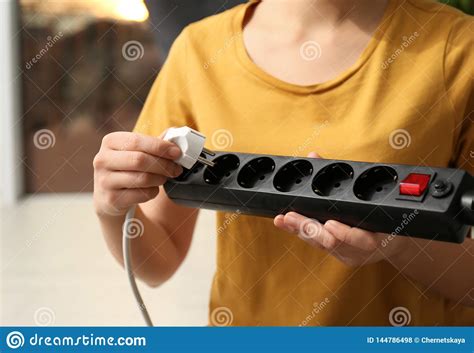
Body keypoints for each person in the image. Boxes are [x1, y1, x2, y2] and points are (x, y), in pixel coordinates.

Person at [93, 0, 474, 325]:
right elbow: (159, 261)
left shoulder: (458, 48)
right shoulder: (199, 49)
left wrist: (398, 245)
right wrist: (111, 209)